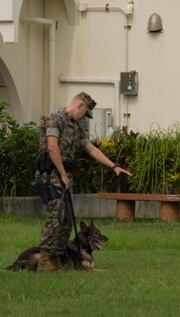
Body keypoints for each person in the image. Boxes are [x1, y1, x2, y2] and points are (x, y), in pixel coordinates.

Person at [35, 92, 131, 272]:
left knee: (67, 221)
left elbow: (90, 148)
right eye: (85, 112)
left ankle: (56, 260)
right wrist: (63, 174)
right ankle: (45, 260)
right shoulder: (56, 119)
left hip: (64, 177)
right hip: (51, 175)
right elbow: (52, 147)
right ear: (79, 105)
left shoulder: (76, 125)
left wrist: (113, 166)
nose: (85, 118)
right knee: (56, 216)